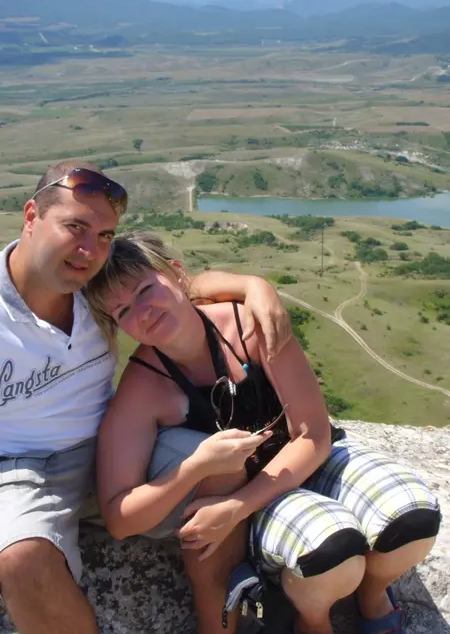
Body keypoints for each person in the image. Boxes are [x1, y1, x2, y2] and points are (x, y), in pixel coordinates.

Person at [86, 232, 442, 634]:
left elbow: (313, 434)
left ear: (178, 276)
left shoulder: (249, 324)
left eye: (146, 290)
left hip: (307, 463)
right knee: (333, 554)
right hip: (259, 505)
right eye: (123, 311)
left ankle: (373, 592)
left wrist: (236, 505)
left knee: (415, 519)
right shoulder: (143, 389)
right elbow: (118, 518)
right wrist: (196, 468)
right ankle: (313, 621)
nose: (143, 312)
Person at [0, 160, 291, 634]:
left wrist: (252, 286)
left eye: (104, 235)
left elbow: (176, 287)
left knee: (219, 460)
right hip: (23, 469)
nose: (89, 249)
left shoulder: (91, 288)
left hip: (110, 452)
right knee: (21, 559)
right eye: (75, 227)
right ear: (32, 216)